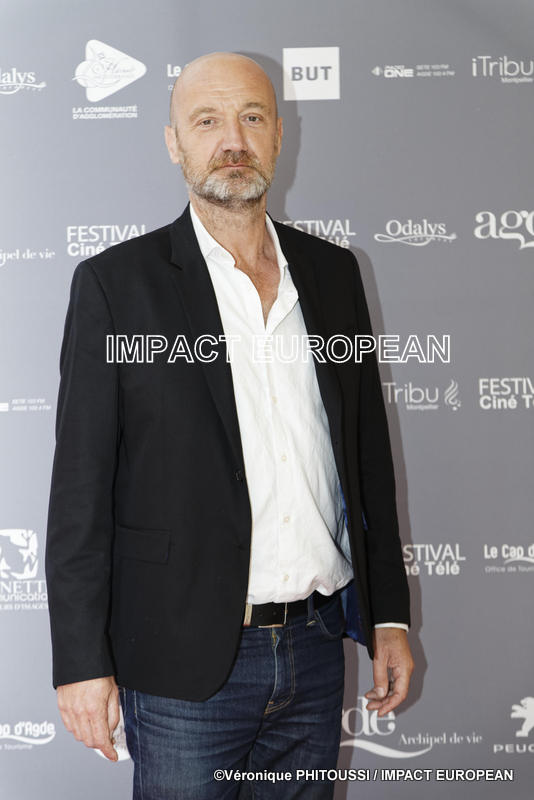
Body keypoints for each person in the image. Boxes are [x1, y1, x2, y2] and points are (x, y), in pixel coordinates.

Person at [45, 51, 414, 799]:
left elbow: (367, 460)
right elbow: (81, 488)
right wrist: (81, 661)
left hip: (316, 650)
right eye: (207, 121)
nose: (232, 141)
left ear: (279, 133)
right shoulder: (117, 287)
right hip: (182, 662)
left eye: (250, 118)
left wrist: (390, 618)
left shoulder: (334, 274)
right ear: (173, 142)